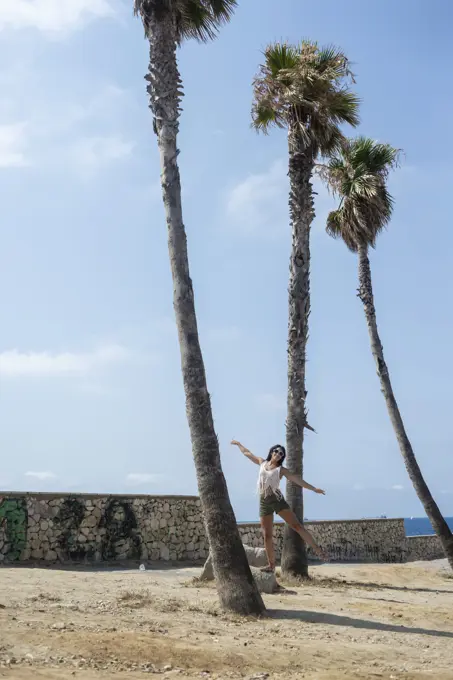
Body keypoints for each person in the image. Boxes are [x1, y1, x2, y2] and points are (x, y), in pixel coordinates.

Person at [231, 440, 329, 571]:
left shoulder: (281, 470)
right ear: (271, 452)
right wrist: (238, 444)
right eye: (276, 451)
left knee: (297, 526)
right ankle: (271, 566)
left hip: (277, 500)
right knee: (267, 535)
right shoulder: (262, 462)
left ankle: (318, 551)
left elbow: (297, 480)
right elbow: (247, 453)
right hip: (264, 501)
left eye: (281, 453)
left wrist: (313, 488)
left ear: (282, 457)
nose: (278, 454)